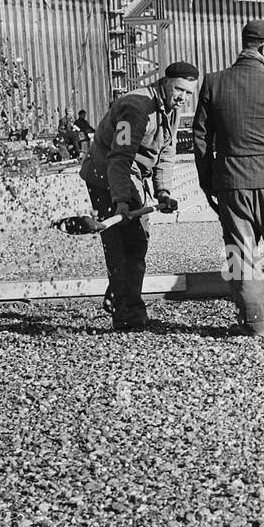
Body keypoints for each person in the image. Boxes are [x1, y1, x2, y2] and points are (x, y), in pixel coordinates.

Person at [193, 19, 264, 337]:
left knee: (240, 254)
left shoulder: (214, 82)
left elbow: (201, 137)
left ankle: (255, 322)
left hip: (231, 183)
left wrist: (208, 181)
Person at [79, 62, 199, 331]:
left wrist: (163, 191)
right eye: (179, 89)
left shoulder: (171, 108)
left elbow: (166, 152)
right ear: (165, 82)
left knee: (137, 242)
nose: (183, 97)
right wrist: (121, 200)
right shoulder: (135, 107)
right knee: (124, 244)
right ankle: (127, 313)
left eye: (188, 93)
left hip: (131, 173)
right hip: (106, 175)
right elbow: (119, 158)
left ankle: (120, 294)